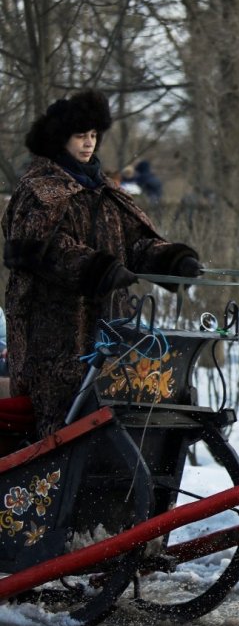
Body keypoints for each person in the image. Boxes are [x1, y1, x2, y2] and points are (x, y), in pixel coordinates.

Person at [2, 89, 201, 437]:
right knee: (61, 422)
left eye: (93, 136)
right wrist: (96, 268)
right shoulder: (38, 190)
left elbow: (136, 244)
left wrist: (173, 261)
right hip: (54, 337)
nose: (88, 143)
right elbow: (38, 250)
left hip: (109, 329)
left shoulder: (105, 191)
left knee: (109, 417)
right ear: (60, 138)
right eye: (80, 136)